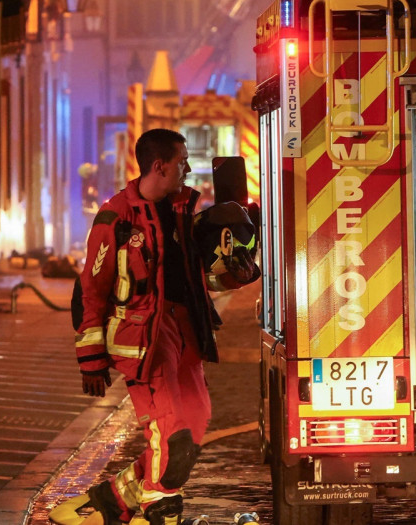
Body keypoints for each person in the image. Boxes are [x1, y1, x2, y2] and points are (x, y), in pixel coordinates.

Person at [56, 128, 256, 525]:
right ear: (159, 166)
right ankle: (159, 511)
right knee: (172, 434)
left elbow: (200, 279)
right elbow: (92, 291)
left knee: (193, 427)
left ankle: (113, 500)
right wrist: (91, 360)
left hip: (186, 333)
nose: (188, 167)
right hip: (144, 341)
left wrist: (235, 274)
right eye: (182, 160)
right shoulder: (115, 218)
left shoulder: (184, 212)